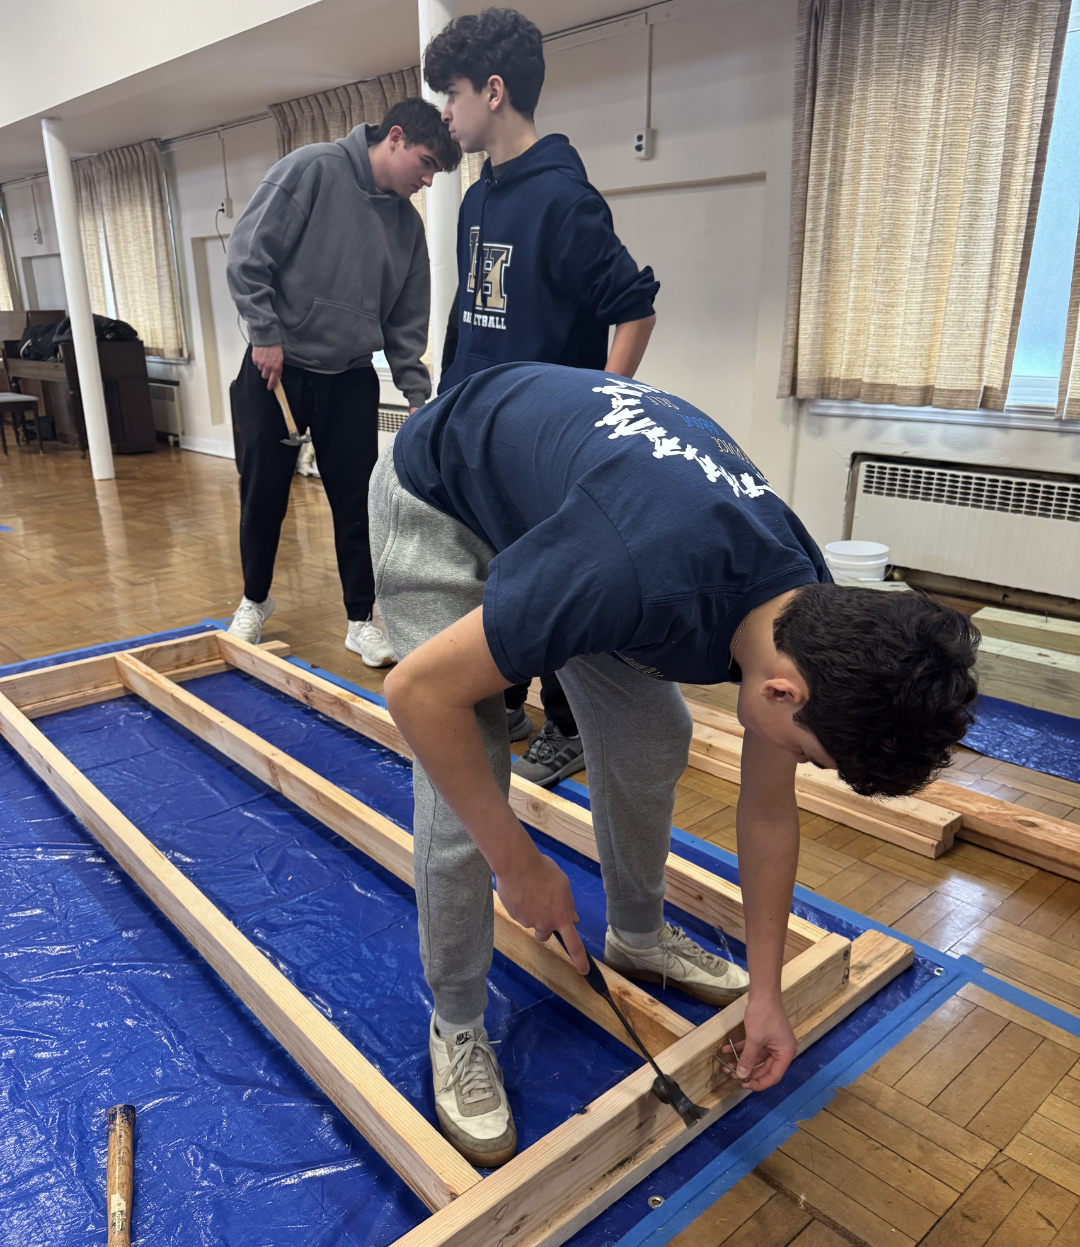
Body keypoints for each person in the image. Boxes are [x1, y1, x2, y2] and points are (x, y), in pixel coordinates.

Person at [371, 362, 979, 1167]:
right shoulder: (627, 571)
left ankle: (638, 934)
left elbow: (768, 812)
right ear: (781, 690)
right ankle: (455, 1022)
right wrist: (517, 865)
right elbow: (414, 694)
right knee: (464, 792)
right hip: (444, 490)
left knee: (655, 732)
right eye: (804, 751)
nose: (792, 763)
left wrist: (768, 993)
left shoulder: (810, 612)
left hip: (579, 519)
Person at [423, 8, 660, 785]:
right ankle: (505, 702)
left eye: (453, 94)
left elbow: (634, 307)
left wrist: (600, 409)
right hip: (479, 431)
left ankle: (570, 724)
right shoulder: (475, 199)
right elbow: (470, 312)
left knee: (551, 584)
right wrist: (445, 402)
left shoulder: (564, 198)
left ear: (494, 92)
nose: (445, 112)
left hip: (545, 441)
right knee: (493, 575)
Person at [225, 99, 460, 665]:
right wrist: (265, 334)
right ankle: (254, 600)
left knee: (357, 503)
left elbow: (406, 321)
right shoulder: (312, 169)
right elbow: (247, 257)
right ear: (395, 138)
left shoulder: (407, 227)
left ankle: (360, 620)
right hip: (277, 368)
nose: (428, 181)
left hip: (350, 377)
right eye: (426, 164)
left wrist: (417, 396)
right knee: (263, 494)